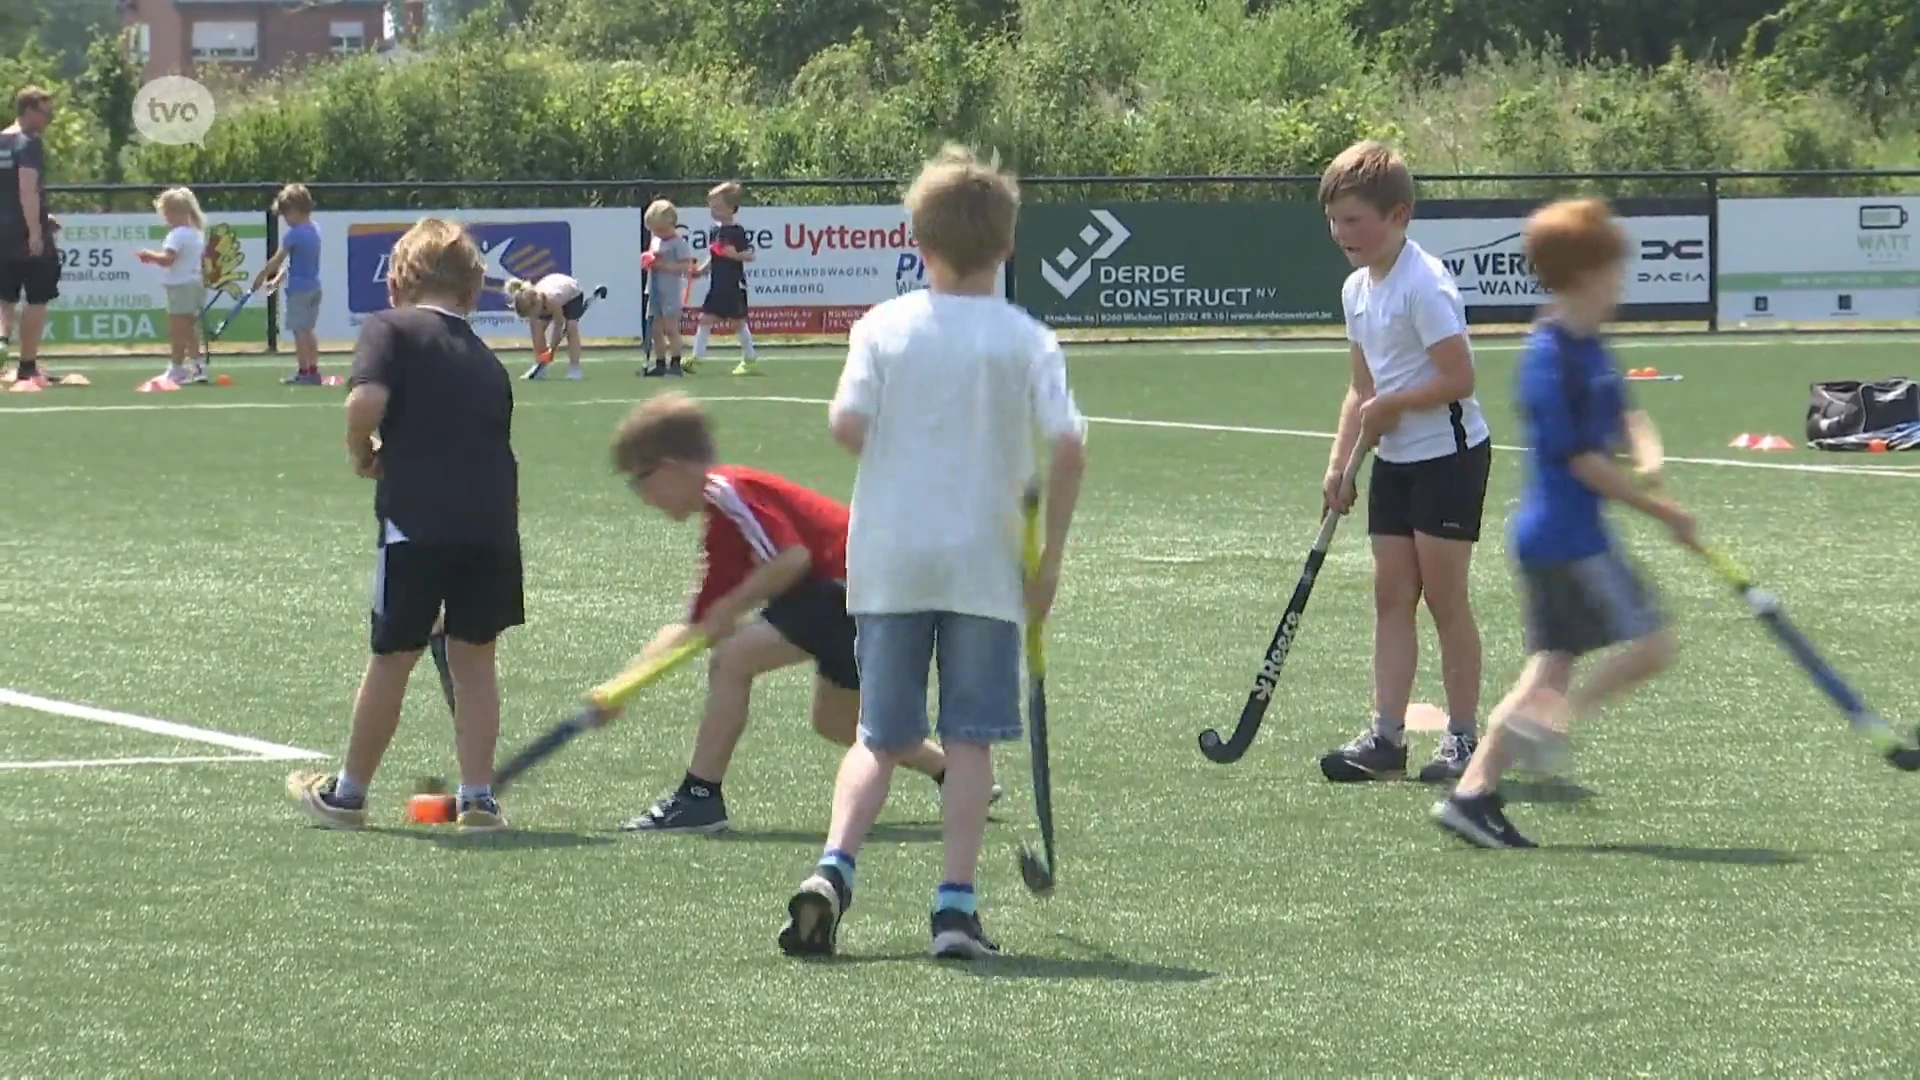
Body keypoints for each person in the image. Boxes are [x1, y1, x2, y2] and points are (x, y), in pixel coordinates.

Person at [779, 145, 1087, 961]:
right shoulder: (1026, 339)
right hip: (984, 566)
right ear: (1008, 245)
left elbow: (846, 427)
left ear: (917, 240)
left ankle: (833, 870)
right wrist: (1049, 557)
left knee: (879, 737)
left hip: (888, 561)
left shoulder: (882, 326)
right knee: (971, 741)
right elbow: (1067, 447)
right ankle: (953, 908)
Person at [1433, 198, 1697, 848]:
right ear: (1583, 274)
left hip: (1565, 536)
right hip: (1566, 539)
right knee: (1652, 645)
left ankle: (1472, 797)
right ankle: (1554, 724)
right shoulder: (1549, 356)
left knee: (1549, 665)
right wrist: (1659, 509)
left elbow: (1626, 417)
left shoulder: (1589, 344)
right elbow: (1581, 460)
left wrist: (1651, 461)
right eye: (1613, 269)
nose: (1621, 282)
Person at [605, 392, 980, 835]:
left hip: (851, 581)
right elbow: (695, 628)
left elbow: (792, 559)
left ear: (671, 467)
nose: (643, 497)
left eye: (640, 481)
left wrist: (731, 606)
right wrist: (619, 689)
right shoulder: (721, 524)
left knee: (733, 659)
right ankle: (956, 774)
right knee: (837, 723)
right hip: (855, 592)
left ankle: (698, 797)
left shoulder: (727, 491)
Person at [287, 217, 525, 833]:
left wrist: (360, 449)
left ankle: (348, 794)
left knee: (392, 656)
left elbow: (365, 401)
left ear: (397, 280)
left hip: (417, 524)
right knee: (475, 663)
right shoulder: (485, 357)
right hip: (492, 528)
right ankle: (478, 798)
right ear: (472, 291)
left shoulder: (388, 328)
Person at [1314, 139, 1492, 785]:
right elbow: (1361, 389)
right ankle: (1386, 737)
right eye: (1334, 221)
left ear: (1399, 216)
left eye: (1355, 221)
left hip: (1448, 457)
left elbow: (1460, 377)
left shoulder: (1425, 285)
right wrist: (1341, 466)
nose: (1341, 234)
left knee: (1444, 598)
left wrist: (1395, 406)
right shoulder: (1356, 289)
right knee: (1392, 595)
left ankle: (1465, 739)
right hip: (1393, 458)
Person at [0, 87, 59, 389]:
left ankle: (1, 353)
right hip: (25, 234)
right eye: (46, 111)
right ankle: (26, 367)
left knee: (5, 298)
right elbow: (26, 188)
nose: (49, 118)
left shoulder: (2, 138)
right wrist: (36, 231)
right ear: (30, 110)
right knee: (36, 298)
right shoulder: (28, 142)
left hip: (2, 234)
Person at [253, 184, 325, 385]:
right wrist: (277, 280)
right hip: (314, 288)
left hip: (299, 291)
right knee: (308, 330)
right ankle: (313, 370)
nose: (285, 219)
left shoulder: (293, 235)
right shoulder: (314, 230)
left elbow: (277, 260)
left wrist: (261, 276)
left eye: (286, 214)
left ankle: (304, 371)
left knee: (299, 331)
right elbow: (295, 263)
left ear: (294, 210)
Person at [137, 187, 209, 386]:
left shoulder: (176, 235)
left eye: (166, 212)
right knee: (188, 329)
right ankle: (196, 366)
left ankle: (178, 368)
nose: (165, 217)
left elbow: (168, 259)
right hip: (194, 283)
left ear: (177, 212)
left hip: (180, 285)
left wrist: (149, 255)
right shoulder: (196, 233)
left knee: (178, 330)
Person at [690, 182, 761, 377]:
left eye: (717, 207)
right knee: (704, 319)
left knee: (737, 322)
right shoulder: (715, 231)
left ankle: (750, 358)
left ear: (730, 208)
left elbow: (750, 255)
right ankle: (697, 358)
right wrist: (700, 270)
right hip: (717, 285)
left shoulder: (736, 231)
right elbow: (714, 256)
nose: (712, 211)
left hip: (733, 285)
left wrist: (734, 254)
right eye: (711, 207)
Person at [506, 273, 601, 381]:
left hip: (572, 295)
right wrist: (544, 353)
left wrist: (551, 347)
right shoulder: (533, 301)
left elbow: (558, 324)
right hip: (553, 289)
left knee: (571, 328)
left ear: (536, 305)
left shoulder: (552, 299)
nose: (532, 316)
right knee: (536, 328)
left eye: (531, 313)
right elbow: (536, 325)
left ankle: (575, 368)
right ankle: (540, 366)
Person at [640, 199, 696, 378]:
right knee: (656, 329)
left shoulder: (678, 243)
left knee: (671, 328)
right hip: (654, 290)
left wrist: (663, 265)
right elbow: (652, 258)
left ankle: (676, 363)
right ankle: (660, 363)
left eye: (661, 230)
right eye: (655, 230)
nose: (658, 233)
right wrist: (648, 261)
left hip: (669, 291)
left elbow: (685, 267)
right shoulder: (656, 240)